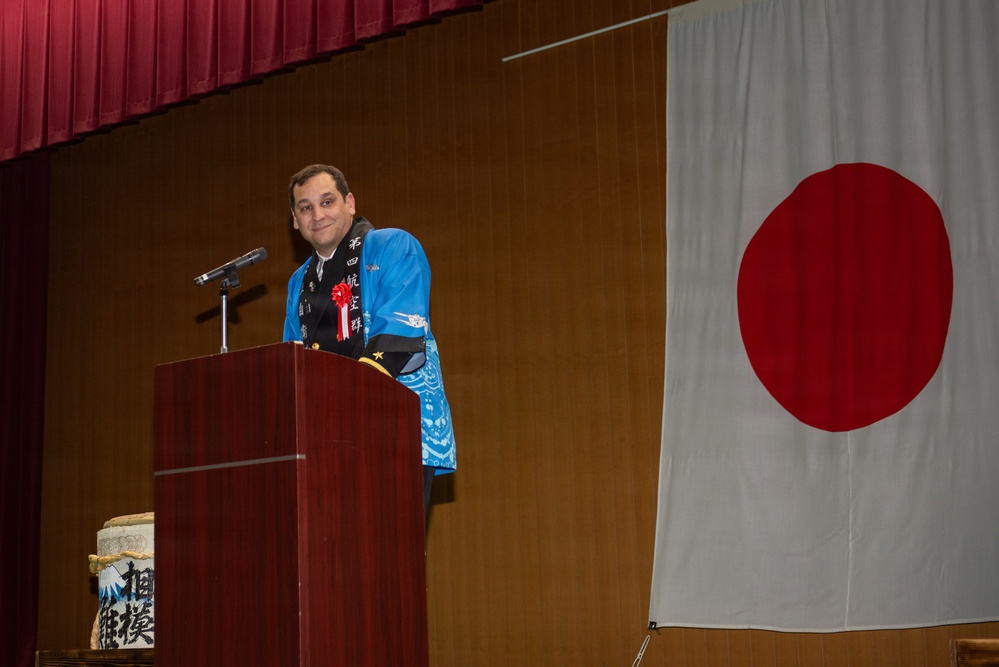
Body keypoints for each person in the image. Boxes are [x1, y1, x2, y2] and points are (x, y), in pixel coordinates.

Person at [282, 164, 455, 514]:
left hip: (394, 426)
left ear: (350, 202)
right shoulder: (298, 282)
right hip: (326, 438)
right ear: (295, 221)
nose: (317, 215)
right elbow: (292, 361)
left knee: (389, 553)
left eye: (327, 201)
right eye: (305, 207)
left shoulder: (392, 245)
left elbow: (400, 332)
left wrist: (342, 402)